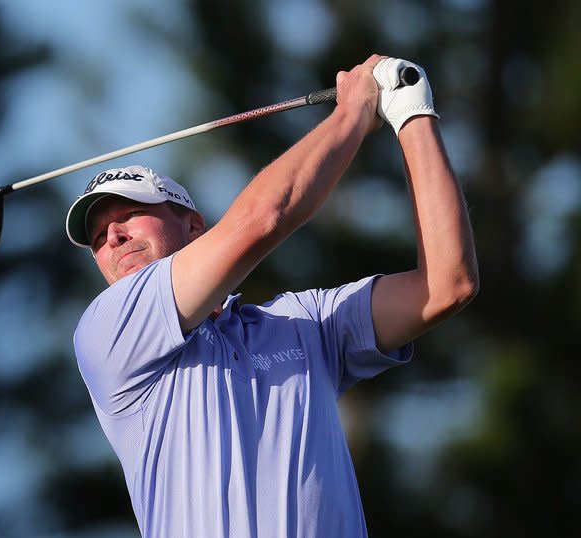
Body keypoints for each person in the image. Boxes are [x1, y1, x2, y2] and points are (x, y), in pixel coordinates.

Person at [65, 55, 478, 537]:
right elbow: (263, 218)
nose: (112, 237)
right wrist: (352, 113)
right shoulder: (108, 332)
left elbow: (449, 284)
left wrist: (412, 113)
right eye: (97, 238)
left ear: (193, 226)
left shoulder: (303, 323)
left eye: (130, 213)